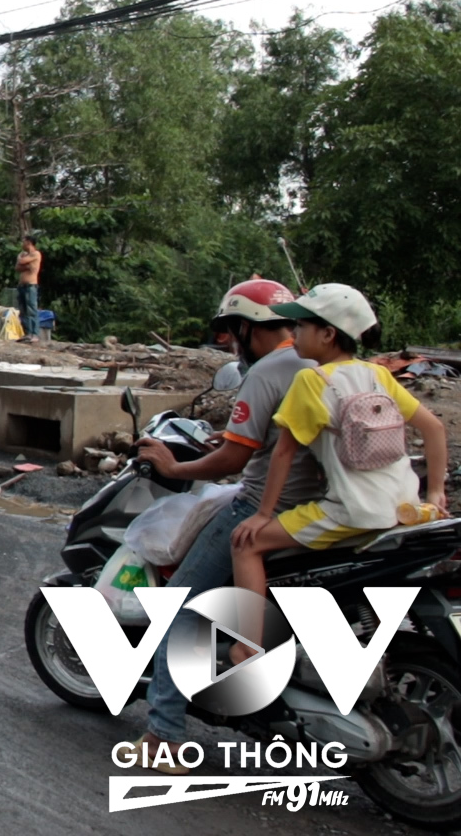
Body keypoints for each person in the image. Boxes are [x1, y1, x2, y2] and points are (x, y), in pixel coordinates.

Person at [127, 279, 323, 770]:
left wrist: (174, 468)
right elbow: (273, 437)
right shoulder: (327, 363)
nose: (234, 342)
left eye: (235, 332)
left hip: (265, 505)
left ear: (247, 329)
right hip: (322, 509)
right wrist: (233, 438)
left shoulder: (270, 369)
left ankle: (165, 737)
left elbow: (231, 463)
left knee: (181, 609)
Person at [228, 283, 448, 664]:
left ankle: (248, 644)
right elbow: (435, 429)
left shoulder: (312, 381)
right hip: (403, 507)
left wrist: (263, 515)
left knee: (245, 544)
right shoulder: (377, 376)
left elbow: (282, 452)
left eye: (301, 327)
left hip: (351, 511)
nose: (293, 335)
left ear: (328, 334)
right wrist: (436, 495)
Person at [14, 235, 42, 341]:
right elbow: (17, 267)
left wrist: (21, 260)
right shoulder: (24, 255)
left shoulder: (36, 254)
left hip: (31, 285)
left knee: (31, 309)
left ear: (29, 242)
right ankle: (27, 333)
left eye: (24, 241)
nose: (22, 244)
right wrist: (27, 265)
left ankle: (34, 333)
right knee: (23, 310)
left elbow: (21, 262)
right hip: (22, 285)